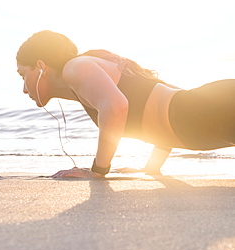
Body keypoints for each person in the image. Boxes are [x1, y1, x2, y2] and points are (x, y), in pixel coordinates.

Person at [16, 30, 235, 178]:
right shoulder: (85, 79)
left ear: (40, 66)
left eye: (22, 74)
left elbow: (116, 107)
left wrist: (98, 171)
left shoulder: (75, 67)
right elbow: (164, 111)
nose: (24, 89)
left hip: (218, 109)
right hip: (210, 115)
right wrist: (150, 169)